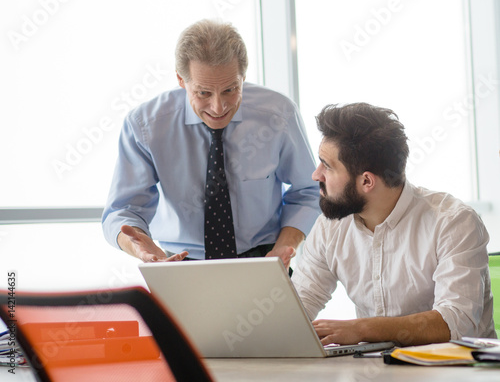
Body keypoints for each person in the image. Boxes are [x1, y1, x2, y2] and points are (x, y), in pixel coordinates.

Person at [102, 19, 320, 266]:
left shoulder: (278, 114)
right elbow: (122, 210)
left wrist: (285, 246)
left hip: (264, 257)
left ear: (243, 77)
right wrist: (140, 246)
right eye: (203, 92)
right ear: (181, 80)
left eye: (230, 89)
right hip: (177, 262)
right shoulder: (146, 125)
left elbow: (308, 191)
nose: (219, 107)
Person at [291, 102, 495, 346]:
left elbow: (456, 321)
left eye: (327, 166)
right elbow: (298, 306)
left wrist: (361, 329)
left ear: (367, 181)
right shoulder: (329, 227)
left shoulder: (454, 222)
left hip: (459, 371)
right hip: (376, 369)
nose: (316, 175)